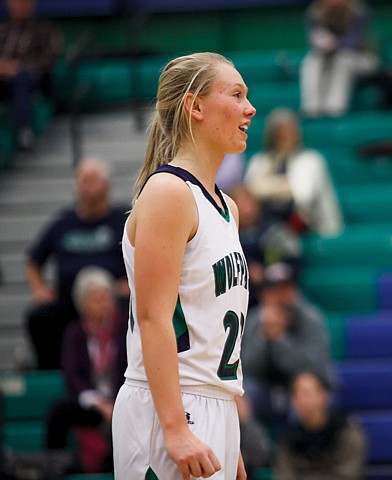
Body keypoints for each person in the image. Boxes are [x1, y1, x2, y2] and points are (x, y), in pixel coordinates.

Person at [111, 52, 256, 479]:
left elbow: (208, 325)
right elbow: (154, 317)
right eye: (236, 95)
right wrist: (175, 429)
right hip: (171, 407)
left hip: (213, 405)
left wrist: (230, 435)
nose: (250, 108)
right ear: (194, 107)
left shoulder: (227, 205)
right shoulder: (169, 192)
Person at [25, 157, 129, 370]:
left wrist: (132, 283)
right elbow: (34, 260)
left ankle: (125, 370)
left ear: (107, 185)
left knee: (134, 312)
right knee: (39, 317)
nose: (86, 186)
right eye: (81, 180)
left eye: (92, 180)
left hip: (112, 299)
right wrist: (39, 288)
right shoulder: (63, 222)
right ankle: (52, 373)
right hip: (70, 301)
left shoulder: (123, 220)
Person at [45, 266, 127, 474]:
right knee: (59, 409)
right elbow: (72, 375)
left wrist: (117, 402)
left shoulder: (125, 326)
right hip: (92, 402)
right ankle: (54, 467)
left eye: (106, 297)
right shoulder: (75, 332)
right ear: (82, 304)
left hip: (123, 397)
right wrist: (99, 403)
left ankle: (115, 468)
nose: (103, 303)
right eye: (96, 299)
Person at [241, 262, 333, 434]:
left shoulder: (312, 319)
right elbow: (246, 368)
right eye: (273, 290)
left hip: (304, 388)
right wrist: (263, 337)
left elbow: (314, 368)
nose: (280, 297)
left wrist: (279, 339)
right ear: (263, 295)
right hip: (267, 390)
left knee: (306, 392)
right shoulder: (254, 321)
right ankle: (257, 454)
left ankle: (300, 456)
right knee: (243, 394)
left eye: (285, 289)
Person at [243, 107, 344, 238]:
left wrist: (267, 188)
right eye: (280, 133)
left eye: (289, 132)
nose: (285, 137)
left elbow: (303, 195)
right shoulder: (259, 161)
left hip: (306, 226)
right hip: (265, 226)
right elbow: (250, 192)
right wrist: (284, 186)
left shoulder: (311, 160)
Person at [273, 371, 366, 480]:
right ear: (294, 401)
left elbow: (350, 473)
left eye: (308, 393)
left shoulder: (346, 430)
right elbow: (284, 475)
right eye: (298, 394)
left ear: (324, 396)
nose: (303, 399)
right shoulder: (288, 439)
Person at [299, 0, 379, 118]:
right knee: (312, 60)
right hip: (331, 58)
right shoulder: (314, 11)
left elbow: (354, 42)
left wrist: (333, 43)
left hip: (362, 59)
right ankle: (311, 108)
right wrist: (320, 43)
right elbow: (311, 41)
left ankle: (335, 109)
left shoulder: (358, 9)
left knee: (342, 60)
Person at [0, 0, 63, 150]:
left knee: (20, 79)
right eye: (14, 2)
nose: (18, 5)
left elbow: (50, 59)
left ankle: (24, 131)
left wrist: (17, 68)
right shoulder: (2, 29)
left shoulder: (44, 29)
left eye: (22, 2)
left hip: (32, 79)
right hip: (3, 78)